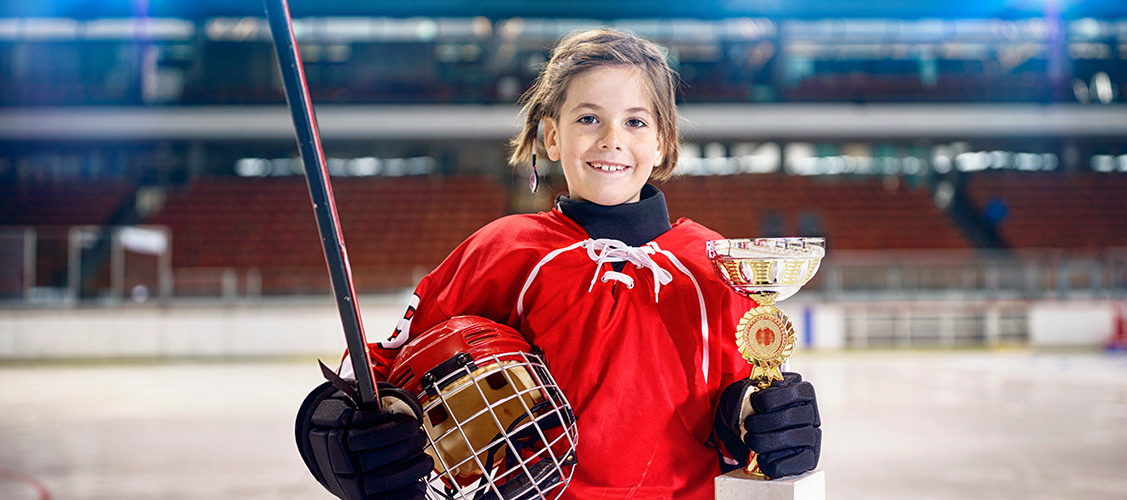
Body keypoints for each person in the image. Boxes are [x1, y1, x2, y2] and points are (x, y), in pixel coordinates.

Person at [295, 28, 822, 500]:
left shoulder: (715, 262)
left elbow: (735, 396)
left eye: (635, 121)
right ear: (552, 136)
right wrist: (349, 428)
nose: (612, 139)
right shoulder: (505, 250)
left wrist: (768, 421)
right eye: (588, 118)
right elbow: (387, 364)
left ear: (662, 142)